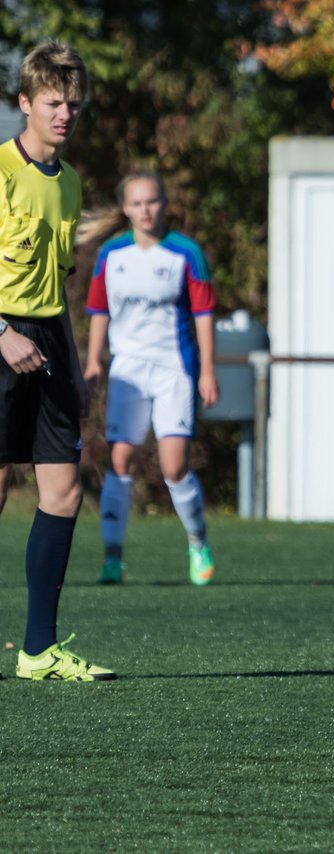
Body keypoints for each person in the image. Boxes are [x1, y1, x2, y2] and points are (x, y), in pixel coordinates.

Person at [0, 42, 115, 680]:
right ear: (24, 103)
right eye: (53, 102)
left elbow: (60, 279)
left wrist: (70, 363)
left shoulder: (69, 181)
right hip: (1, 337)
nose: (65, 114)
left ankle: (39, 650)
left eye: (73, 103)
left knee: (64, 489)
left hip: (49, 336)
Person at [81, 170, 219, 584]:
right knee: (121, 459)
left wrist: (208, 370)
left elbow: (204, 315)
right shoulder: (111, 255)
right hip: (128, 368)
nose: (145, 210)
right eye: (137, 203)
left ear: (164, 204)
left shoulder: (185, 254)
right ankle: (112, 557)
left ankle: (198, 544)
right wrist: (93, 362)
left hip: (174, 368)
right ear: (126, 208)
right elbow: (99, 310)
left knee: (174, 466)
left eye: (152, 201)